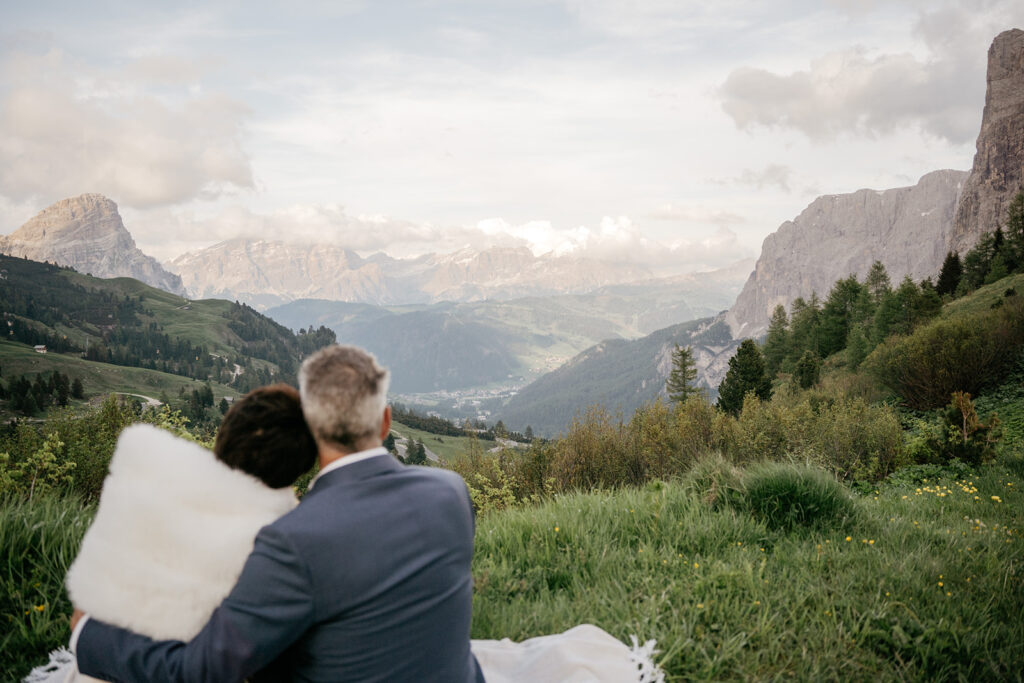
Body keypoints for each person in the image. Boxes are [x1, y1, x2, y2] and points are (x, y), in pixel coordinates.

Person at [70, 345, 484, 682]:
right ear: (386, 421)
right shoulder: (450, 492)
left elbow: (200, 670)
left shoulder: (292, 539)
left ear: (311, 427)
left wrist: (88, 633)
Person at [26, 385, 317, 683]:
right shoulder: (282, 538)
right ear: (301, 463)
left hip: (99, 664)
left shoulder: (149, 476)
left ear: (225, 433)